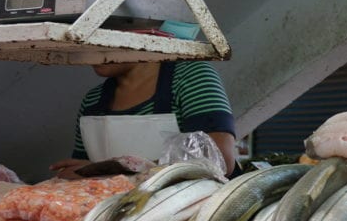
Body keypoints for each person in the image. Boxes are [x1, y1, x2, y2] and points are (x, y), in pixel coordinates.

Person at [50, 61, 238, 178]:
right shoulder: (93, 100)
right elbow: (79, 172)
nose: (88, 46)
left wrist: (105, 170)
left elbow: (218, 162)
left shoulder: (189, 76)